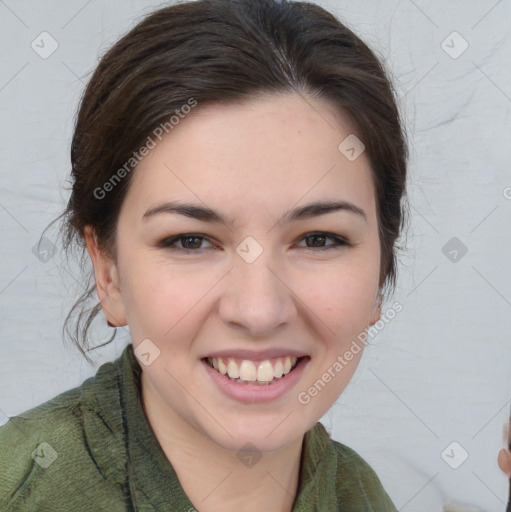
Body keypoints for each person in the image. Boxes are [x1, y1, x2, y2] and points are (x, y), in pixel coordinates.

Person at [0, 0, 409, 510]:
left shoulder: (360, 494)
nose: (258, 311)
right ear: (109, 273)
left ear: (382, 267)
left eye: (319, 239)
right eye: (190, 241)